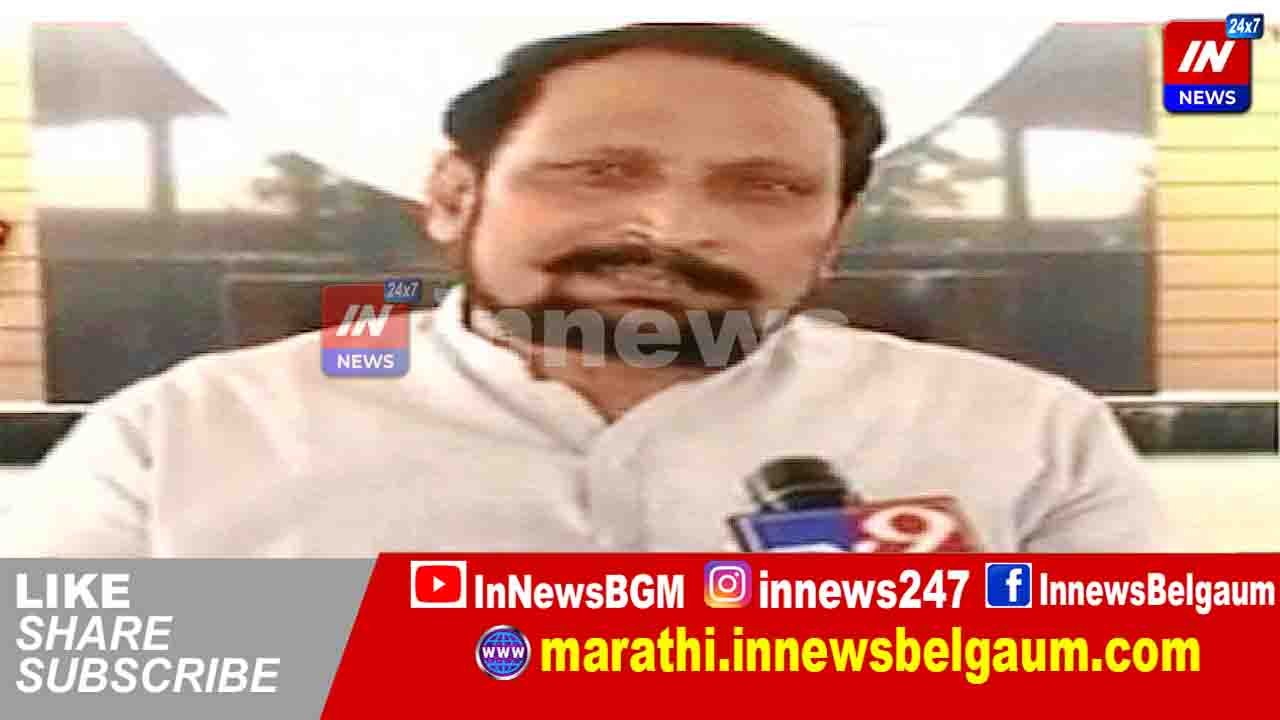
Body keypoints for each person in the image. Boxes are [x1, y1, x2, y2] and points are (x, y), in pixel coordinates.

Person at [0, 24, 1166, 557]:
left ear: (831, 235)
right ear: (454, 195)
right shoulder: (180, 440)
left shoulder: (1025, 438)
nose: (671, 229)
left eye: (762, 186)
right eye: (599, 171)